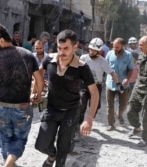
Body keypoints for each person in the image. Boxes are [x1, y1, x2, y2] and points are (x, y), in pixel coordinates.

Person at [34, 29, 99, 167]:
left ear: (75, 47)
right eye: (59, 47)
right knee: (41, 145)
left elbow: (94, 92)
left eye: (66, 48)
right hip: (51, 109)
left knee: (64, 150)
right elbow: (38, 75)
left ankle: (60, 157)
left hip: (71, 111)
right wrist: (36, 92)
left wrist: (89, 119)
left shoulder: (82, 67)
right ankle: (52, 155)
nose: (61, 52)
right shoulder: (49, 60)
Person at [0, 23, 44, 167]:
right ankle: (10, 163)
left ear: (2, 40)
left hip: (0, 107)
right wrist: (38, 95)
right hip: (22, 107)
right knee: (19, 140)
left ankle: (8, 162)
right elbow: (39, 80)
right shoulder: (28, 55)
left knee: (5, 140)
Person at [79, 37, 118, 127]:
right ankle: (78, 125)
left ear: (99, 51)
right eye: (90, 50)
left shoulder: (102, 61)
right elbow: (77, 70)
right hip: (84, 85)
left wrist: (118, 83)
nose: (91, 52)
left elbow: (111, 73)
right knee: (81, 104)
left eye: (94, 50)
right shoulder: (83, 58)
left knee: (96, 106)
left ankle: (89, 120)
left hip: (97, 86)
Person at [105, 37, 134, 131]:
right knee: (110, 105)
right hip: (110, 84)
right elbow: (105, 66)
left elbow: (131, 69)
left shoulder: (129, 55)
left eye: (117, 47)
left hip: (123, 85)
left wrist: (127, 78)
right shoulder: (109, 54)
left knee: (124, 104)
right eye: (113, 47)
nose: (115, 49)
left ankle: (118, 114)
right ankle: (111, 124)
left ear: (123, 46)